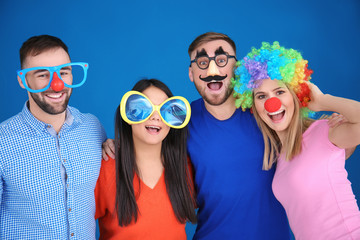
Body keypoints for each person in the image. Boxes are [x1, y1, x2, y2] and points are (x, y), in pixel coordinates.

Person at [102, 32, 291, 239]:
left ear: (236, 68)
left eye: (221, 60)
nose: (213, 70)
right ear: (191, 73)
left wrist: (325, 102)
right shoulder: (180, 120)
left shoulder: (265, 110)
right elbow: (148, 137)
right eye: (202, 62)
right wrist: (116, 143)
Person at [232, 41, 360, 239]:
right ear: (253, 105)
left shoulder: (324, 132)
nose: (272, 103)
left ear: (295, 96)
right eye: (261, 96)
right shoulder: (279, 156)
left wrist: (324, 100)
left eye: (280, 92)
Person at [0, 35, 106, 239]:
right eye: (42, 75)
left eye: (63, 72)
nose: (56, 84)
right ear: (22, 80)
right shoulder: (3, 141)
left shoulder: (93, 127)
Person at [95, 79, 197, 239]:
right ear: (128, 114)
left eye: (165, 110)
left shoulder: (186, 168)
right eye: (144, 108)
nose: (156, 117)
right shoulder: (105, 169)